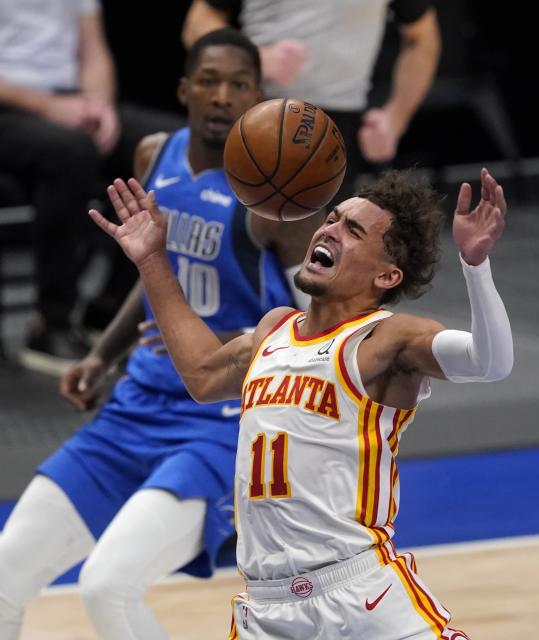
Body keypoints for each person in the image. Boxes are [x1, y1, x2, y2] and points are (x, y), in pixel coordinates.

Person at [90, 159, 510, 638]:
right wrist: (150, 259)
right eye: (331, 218)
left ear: (388, 276)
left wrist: (475, 266)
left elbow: (489, 363)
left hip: (359, 599)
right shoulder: (275, 329)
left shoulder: (385, 340)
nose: (330, 231)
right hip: (267, 610)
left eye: (353, 230)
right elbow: (202, 376)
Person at [0, 28, 319, 639]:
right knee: (7, 577)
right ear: (184, 90)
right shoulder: (154, 155)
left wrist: (242, 333)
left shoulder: (276, 198)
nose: (223, 96)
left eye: (239, 84)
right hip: (136, 406)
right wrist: (102, 353)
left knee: (105, 588)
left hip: (220, 425)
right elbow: (155, 276)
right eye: (209, 81)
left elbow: (328, 329)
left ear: (259, 94)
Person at [0, 0, 183, 371]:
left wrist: (100, 107)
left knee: (167, 143)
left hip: (69, 101)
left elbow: (94, 50)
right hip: (14, 105)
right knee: (71, 153)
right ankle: (50, 323)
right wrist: (49, 106)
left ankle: (108, 309)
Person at [180, 0, 441, 199]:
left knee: (320, 257)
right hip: (255, 111)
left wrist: (396, 118)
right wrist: (257, 57)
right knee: (233, 244)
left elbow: (422, 37)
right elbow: (198, 23)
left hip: (337, 124)